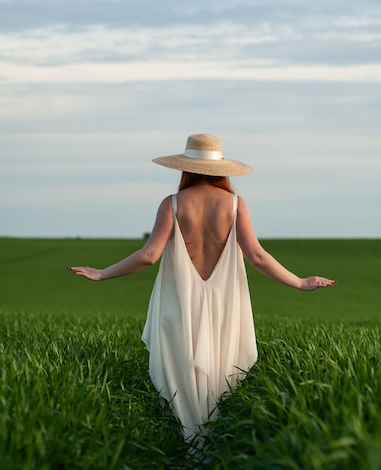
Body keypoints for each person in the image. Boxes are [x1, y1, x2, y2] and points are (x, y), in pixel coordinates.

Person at [67, 133, 336, 439]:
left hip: (179, 305)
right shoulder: (235, 205)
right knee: (219, 384)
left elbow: (149, 255)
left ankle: (186, 457)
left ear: (186, 167)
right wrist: (300, 282)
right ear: (221, 169)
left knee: (180, 387)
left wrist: (102, 273)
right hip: (224, 308)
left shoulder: (172, 204)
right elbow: (258, 256)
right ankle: (214, 456)